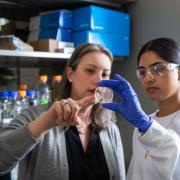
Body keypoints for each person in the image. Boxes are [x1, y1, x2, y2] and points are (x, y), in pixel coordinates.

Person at [0, 43, 125, 180]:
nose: (99, 81)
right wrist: (45, 123)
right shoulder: (35, 116)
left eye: (105, 74)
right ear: (70, 74)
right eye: (90, 71)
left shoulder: (110, 129)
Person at [98, 37, 180, 180]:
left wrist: (145, 125)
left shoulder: (144, 124)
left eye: (158, 69)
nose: (148, 79)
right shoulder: (141, 127)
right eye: (142, 72)